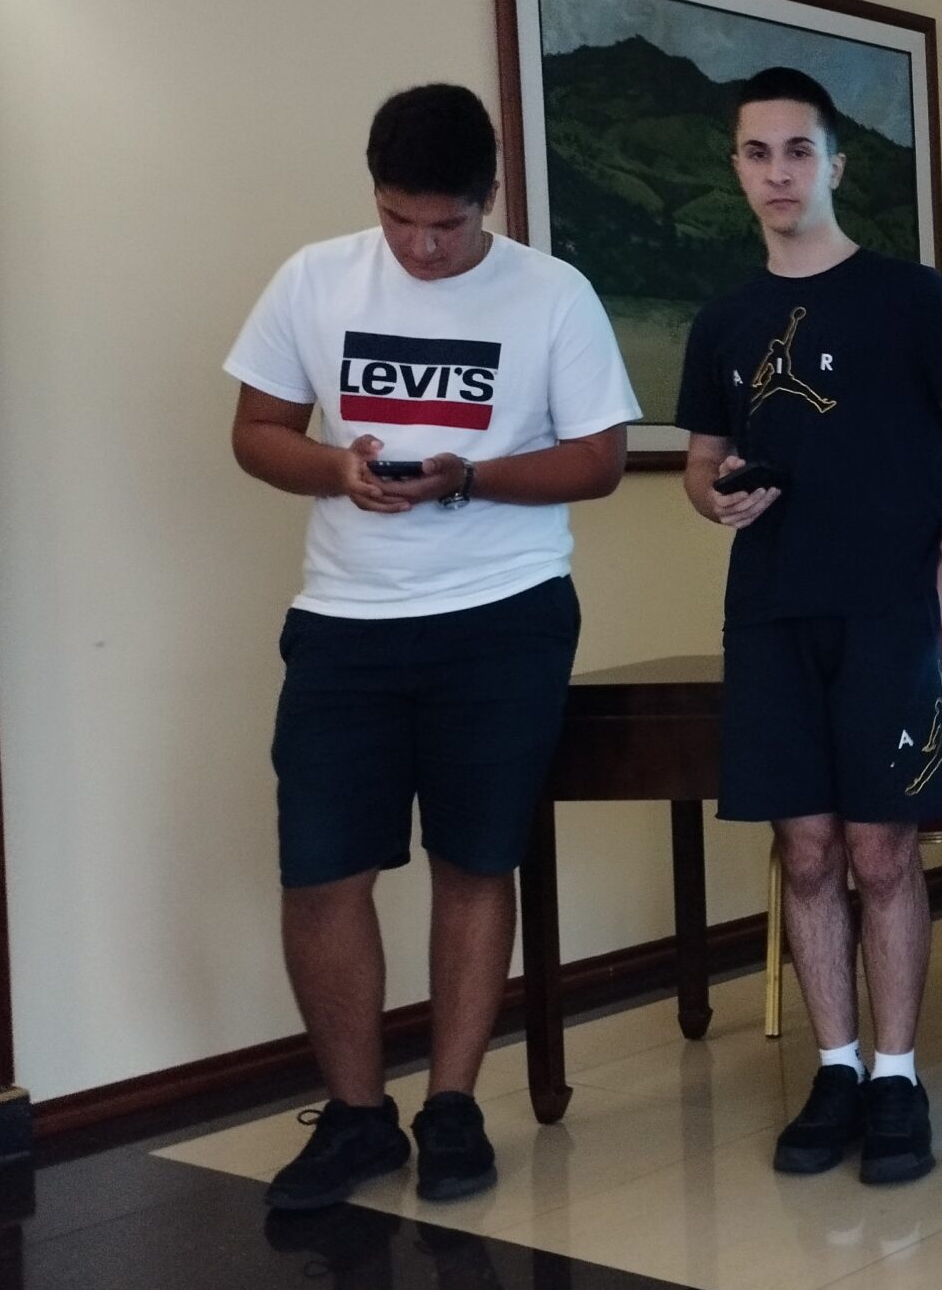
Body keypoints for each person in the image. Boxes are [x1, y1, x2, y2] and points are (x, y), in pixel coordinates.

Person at [227, 83, 639, 1211]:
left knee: (473, 859)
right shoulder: (313, 279)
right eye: (399, 219)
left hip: (502, 614)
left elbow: (600, 458)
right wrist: (335, 468)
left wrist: (472, 479)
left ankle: (451, 1105)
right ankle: (357, 1116)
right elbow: (256, 431)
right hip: (344, 621)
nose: (420, 246)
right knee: (321, 869)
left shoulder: (552, 293)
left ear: (488, 197)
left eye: (445, 224)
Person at [677, 66, 942, 1186]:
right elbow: (703, 462)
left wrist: (939, 585)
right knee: (808, 849)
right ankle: (835, 1066)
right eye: (756, 152)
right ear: (737, 167)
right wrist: (715, 496)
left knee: (882, 847)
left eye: (797, 151)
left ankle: (898, 1075)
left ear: (834, 163)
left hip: (886, 613)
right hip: (770, 612)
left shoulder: (910, 297)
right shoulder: (724, 317)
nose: (778, 172)